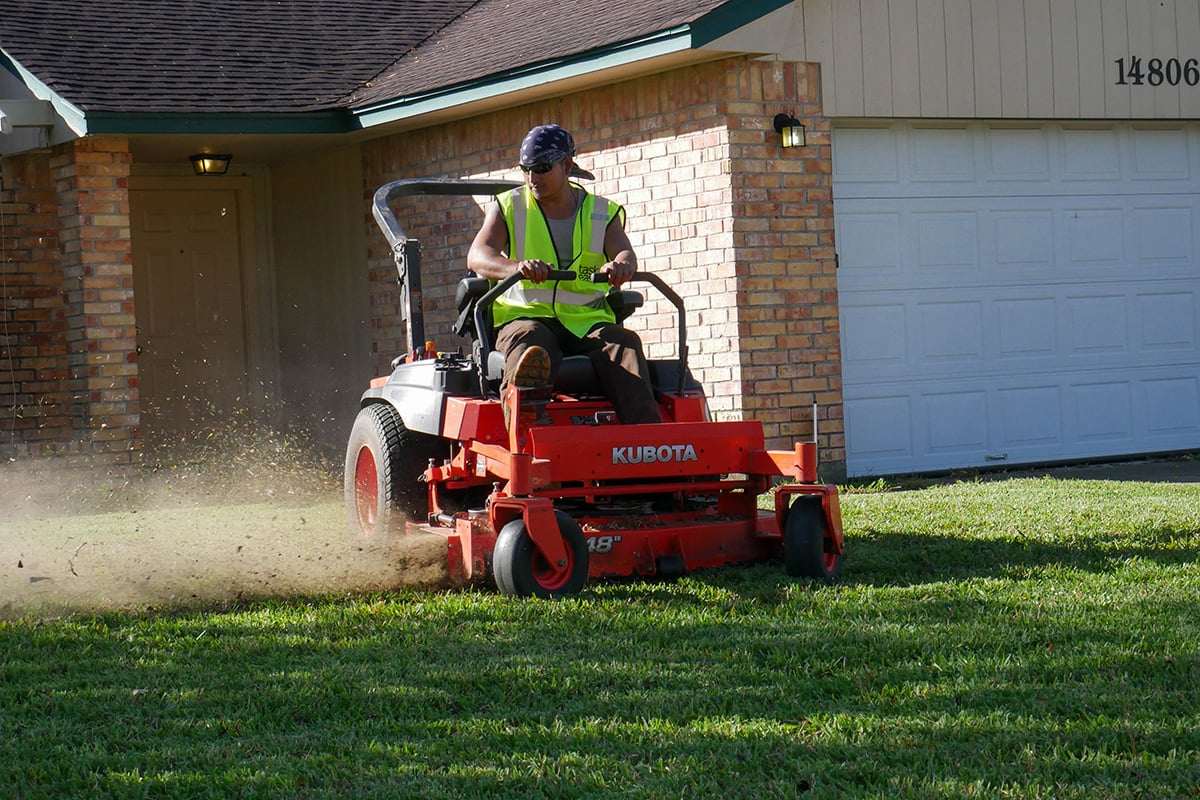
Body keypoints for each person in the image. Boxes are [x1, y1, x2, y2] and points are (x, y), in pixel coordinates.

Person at [467, 123, 662, 425]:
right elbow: (478, 255)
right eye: (526, 169)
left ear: (567, 164)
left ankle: (646, 449)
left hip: (586, 323)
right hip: (526, 318)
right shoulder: (509, 206)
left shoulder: (601, 212)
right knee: (532, 342)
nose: (533, 177)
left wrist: (620, 265)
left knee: (623, 343)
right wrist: (516, 268)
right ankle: (525, 430)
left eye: (542, 168)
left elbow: (625, 254)